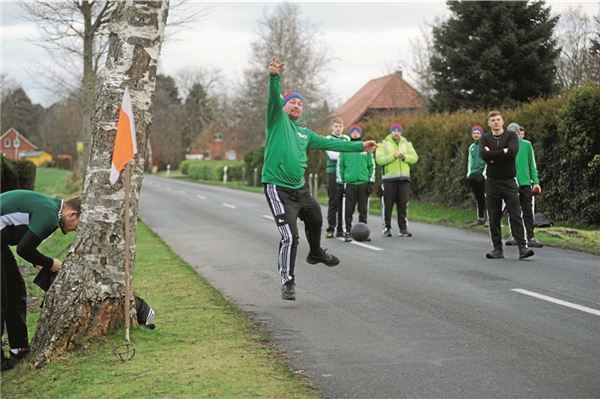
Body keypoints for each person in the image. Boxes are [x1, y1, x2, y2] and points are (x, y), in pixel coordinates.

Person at [262, 57, 377, 301]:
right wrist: (274, 76)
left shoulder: (305, 133)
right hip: (277, 189)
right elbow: (273, 97)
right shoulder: (276, 121)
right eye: (291, 102)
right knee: (290, 236)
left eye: (299, 104)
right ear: (283, 107)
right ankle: (287, 281)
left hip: (300, 189)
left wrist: (359, 146)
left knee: (315, 218)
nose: (296, 106)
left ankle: (315, 253)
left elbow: (330, 142)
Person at [1, 190, 81, 371]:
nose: (74, 231)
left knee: (16, 291)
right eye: (77, 225)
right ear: (72, 214)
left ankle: (19, 350)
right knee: (2, 297)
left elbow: (25, 240)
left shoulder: (51, 208)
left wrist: (38, 261)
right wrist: (51, 263)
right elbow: (23, 249)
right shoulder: (50, 215)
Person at [479, 111, 534, 260]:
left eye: (498, 119)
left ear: (502, 121)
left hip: (509, 181)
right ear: (489, 123)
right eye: (493, 120)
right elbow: (484, 155)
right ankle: (497, 249)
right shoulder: (484, 138)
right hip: (492, 181)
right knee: (494, 216)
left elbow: (512, 153)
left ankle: (523, 248)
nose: (496, 122)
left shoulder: (511, 136)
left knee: (515, 214)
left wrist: (494, 155)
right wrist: (501, 152)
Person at [375, 122, 418, 237]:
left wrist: (404, 157)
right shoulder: (383, 144)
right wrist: (392, 156)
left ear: (401, 132)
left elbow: (415, 158)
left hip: (404, 179)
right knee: (387, 206)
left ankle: (403, 229)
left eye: (398, 131)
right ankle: (386, 228)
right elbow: (379, 160)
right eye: (394, 131)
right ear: (391, 132)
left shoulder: (407, 144)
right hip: (389, 180)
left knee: (403, 205)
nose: (396, 133)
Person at [505, 123, 544, 248]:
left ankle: (531, 236)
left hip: (525, 183)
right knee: (513, 211)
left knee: (528, 211)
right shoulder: (504, 146)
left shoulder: (527, 145)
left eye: (515, 133)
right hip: (510, 184)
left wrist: (536, 182)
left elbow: (532, 164)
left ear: (518, 133)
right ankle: (514, 236)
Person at [337, 125, 375, 242]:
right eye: (352, 132)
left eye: (357, 132)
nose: (355, 133)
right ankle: (347, 232)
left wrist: (371, 181)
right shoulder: (345, 148)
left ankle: (364, 233)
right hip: (350, 183)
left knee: (363, 210)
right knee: (348, 210)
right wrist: (340, 182)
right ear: (350, 134)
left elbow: (372, 166)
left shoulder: (366, 148)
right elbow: (340, 166)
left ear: (360, 134)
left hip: (363, 183)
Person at [324, 117, 350, 239]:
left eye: (340, 126)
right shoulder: (328, 139)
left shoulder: (347, 138)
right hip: (333, 172)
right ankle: (330, 228)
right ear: (332, 128)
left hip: (345, 174)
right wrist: (344, 154)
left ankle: (341, 229)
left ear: (343, 127)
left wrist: (344, 154)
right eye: (336, 126)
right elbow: (332, 155)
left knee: (343, 202)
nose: (338, 128)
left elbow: (351, 153)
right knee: (333, 201)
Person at [466, 125, 487, 226]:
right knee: (478, 197)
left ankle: (488, 219)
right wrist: (469, 172)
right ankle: (480, 217)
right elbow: (470, 160)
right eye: (474, 133)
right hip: (473, 174)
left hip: (482, 174)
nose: (476, 135)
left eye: (478, 133)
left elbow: (487, 159)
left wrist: (485, 173)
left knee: (486, 196)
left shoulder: (485, 145)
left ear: (481, 134)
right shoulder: (472, 147)